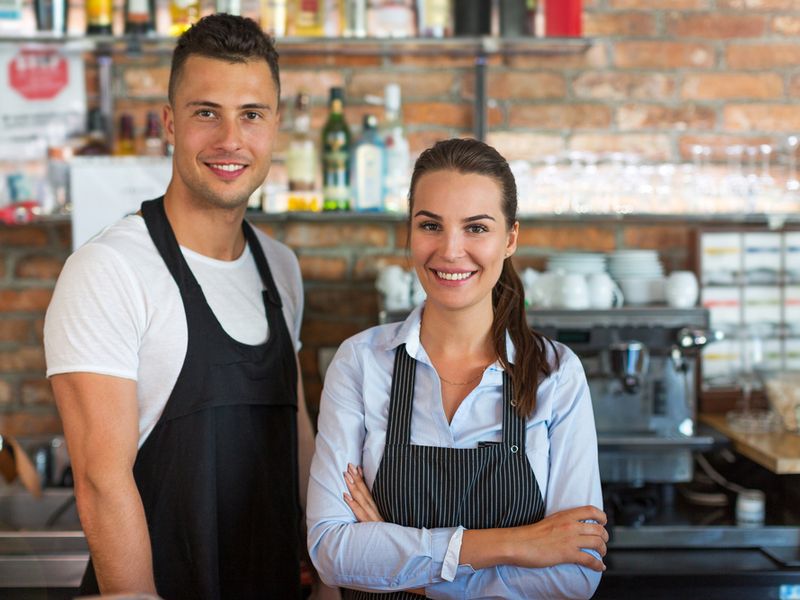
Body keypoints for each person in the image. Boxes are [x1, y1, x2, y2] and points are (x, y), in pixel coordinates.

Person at [44, 14, 318, 599]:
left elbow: (295, 433)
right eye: (205, 112)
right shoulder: (110, 271)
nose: (230, 139)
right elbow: (100, 480)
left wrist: (328, 573)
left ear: (275, 127)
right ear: (170, 122)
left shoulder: (281, 268)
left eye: (251, 114)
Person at [307, 138, 607, 599]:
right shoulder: (361, 363)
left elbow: (574, 576)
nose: (450, 251)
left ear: (510, 239)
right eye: (431, 225)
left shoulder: (556, 375)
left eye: (476, 228)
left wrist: (406, 573)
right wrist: (515, 544)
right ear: (409, 232)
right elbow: (332, 551)